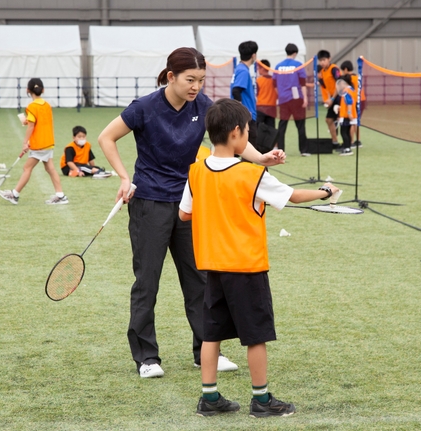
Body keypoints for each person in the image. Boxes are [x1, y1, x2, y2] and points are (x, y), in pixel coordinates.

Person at [98, 47, 286, 379]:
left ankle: (205, 351)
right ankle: (146, 357)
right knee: (147, 281)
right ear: (171, 77)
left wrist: (261, 158)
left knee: (200, 280)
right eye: (190, 79)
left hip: (189, 203)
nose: (196, 86)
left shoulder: (203, 105)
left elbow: (233, 137)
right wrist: (125, 177)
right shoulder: (145, 107)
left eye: (201, 80)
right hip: (150, 204)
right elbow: (106, 137)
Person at [179, 98, 339, 418]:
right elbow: (292, 196)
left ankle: (209, 398)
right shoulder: (250, 174)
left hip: (213, 267)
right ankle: (261, 400)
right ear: (237, 133)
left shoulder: (196, 171)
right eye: (249, 131)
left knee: (211, 333)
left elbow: (184, 214)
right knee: (256, 336)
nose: (250, 136)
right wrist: (325, 192)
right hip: (246, 267)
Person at [0, 78, 67, 205]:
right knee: (50, 168)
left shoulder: (31, 107)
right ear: (43, 90)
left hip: (39, 145)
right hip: (48, 142)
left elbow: (32, 126)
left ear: (28, 90)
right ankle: (60, 195)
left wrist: (25, 142)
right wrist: (27, 121)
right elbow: (40, 122)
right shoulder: (47, 105)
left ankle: (15, 194)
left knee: (27, 168)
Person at [274, 43, 309, 156]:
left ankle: (281, 150)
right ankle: (303, 150)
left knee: (282, 125)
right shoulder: (298, 65)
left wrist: (280, 96)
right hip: (296, 98)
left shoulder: (278, 66)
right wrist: (305, 98)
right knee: (300, 125)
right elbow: (303, 83)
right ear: (295, 53)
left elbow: (274, 84)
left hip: (283, 98)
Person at [231, 41, 259, 149]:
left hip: (244, 114)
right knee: (249, 147)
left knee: (240, 148)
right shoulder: (243, 71)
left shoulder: (239, 68)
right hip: (247, 115)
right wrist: (241, 111)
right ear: (253, 55)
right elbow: (236, 91)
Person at [317, 50, 342, 148]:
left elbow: (339, 84)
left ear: (329, 59)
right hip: (332, 99)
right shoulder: (322, 72)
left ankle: (348, 143)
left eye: (324, 60)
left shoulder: (334, 69)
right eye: (320, 60)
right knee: (328, 120)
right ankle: (335, 142)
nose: (322, 62)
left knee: (343, 120)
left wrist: (332, 99)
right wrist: (328, 100)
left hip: (340, 98)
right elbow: (325, 87)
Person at [255, 59, 278, 153]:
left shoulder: (258, 80)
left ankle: (256, 146)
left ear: (262, 68)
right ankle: (274, 147)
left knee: (257, 128)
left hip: (261, 107)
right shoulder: (274, 80)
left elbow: (256, 94)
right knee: (271, 129)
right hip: (272, 107)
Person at [340, 60, 364, 148]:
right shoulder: (357, 76)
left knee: (352, 121)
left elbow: (350, 94)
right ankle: (357, 140)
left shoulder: (350, 78)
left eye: (343, 70)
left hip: (356, 100)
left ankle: (351, 141)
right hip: (360, 99)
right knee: (356, 122)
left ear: (346, 69)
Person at [334, 76, 357, 156]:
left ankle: (347, 149)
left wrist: (349, 113)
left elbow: (349, 102)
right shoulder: (352, 90)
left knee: (343, 132)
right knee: (347, 132)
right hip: (348, 114)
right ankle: (347, 147)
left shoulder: (346, 91)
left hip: (346, 116)